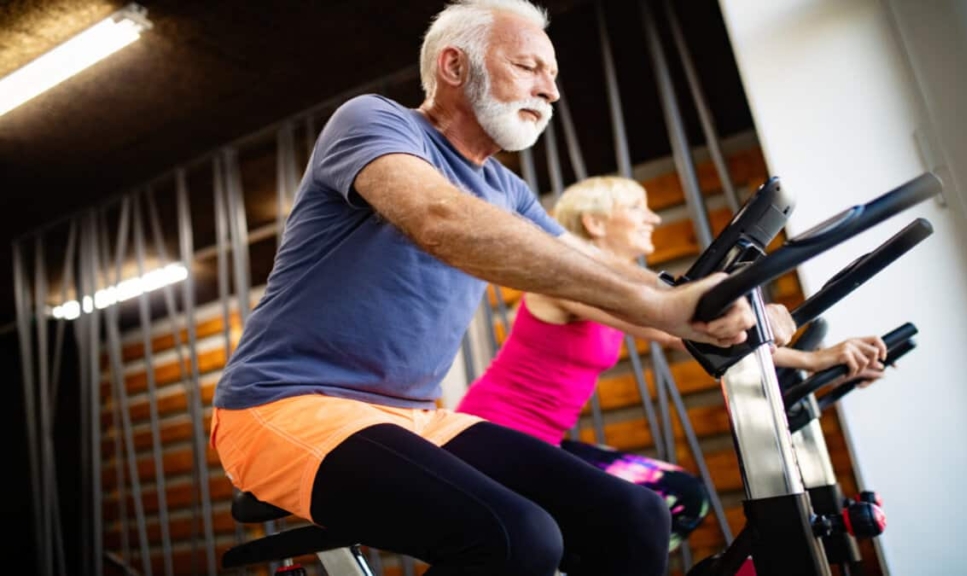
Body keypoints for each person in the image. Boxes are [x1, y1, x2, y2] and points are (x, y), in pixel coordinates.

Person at [209, 2, 761, 575]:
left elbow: (589, 263)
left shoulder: (507, 188)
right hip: (285, 404)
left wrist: (714, 305)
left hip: (417, 417)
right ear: (454, 65)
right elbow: (438, 219)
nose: (550, 92)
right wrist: (660, 303)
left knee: (635, 515)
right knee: (517, 537)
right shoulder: (375, 121)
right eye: (528, 67)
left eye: (553, 76)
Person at [455, 176, 888, 552]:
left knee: (661, 506)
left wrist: (813, 359)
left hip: (543, 439)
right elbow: (678, 331)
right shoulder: (564, 279)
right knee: (675, 499)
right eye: (636, 208)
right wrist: (813, 359)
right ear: (595, 223)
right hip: (493, 434)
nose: (654, 218)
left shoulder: (616, 285)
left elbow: (698, 334)